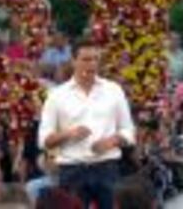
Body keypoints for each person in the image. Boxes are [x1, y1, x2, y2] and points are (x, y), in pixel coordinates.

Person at [38, 38, 136, 209]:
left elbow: (129, 131)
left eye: (95, 59)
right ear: (73, 61)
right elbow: (44, 140)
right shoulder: (56, 95)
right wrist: (68, 134)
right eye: (85, 59)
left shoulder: (114, 90)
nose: (91, 65)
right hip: (72, 169)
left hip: (107, 167)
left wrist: (111, 141)